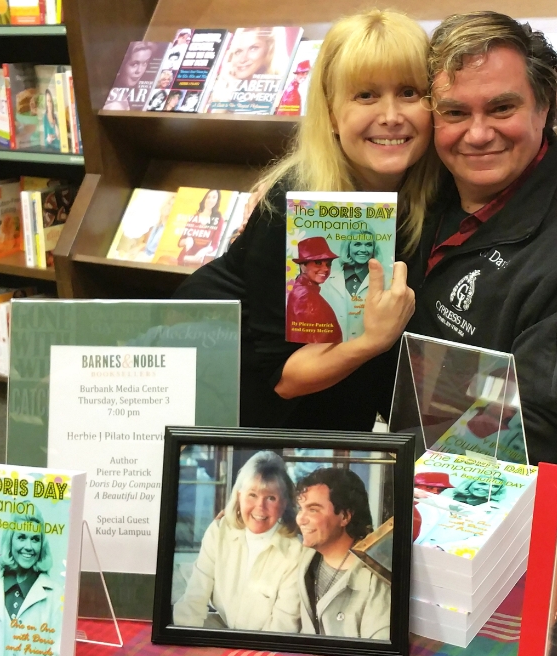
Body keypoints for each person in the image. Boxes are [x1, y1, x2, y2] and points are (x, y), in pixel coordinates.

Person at [174, 9, 441, 431]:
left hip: (335, 397)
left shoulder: (432, 191)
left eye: (409, 92)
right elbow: (284, 379)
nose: (391, 115)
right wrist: (374, 340)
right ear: (332, 114)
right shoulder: (289, 203)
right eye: (366, 95)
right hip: (240, 395)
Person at [407, 12, 557, 474]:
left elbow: (536, 436)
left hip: (527, 502)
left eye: (501, 108)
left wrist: (386, 463)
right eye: (455, 112)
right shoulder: (427, 193)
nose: (477, 134)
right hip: (431, 454)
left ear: (545, 108)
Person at [174, 451, 304, 631]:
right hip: (222, 626)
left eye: (271, 498)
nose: (260, 507)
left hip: (265, 645)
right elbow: (194, 599)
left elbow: (283, 626)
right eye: (252, 495)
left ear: (284, 504)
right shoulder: (219, 532)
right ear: (239, 496)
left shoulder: (296, 551)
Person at [292, 468, 390, 639]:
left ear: (344, 516)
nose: (301, 519)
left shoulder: (377, 582)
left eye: (313, 509)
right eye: (301, 509)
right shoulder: (306, 559)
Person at [0, 509, 61, 656]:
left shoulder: (56, 595)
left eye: (35, 539)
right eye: (22, 537)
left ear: (42, 545)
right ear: (10, 541)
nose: (28, 547)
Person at [323, 225, 379, 340]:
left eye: (368, 244)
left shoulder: (385, 280)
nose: (363, 250)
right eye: (357, 244)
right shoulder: (328, 281)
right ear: (348, 247)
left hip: (372, 352)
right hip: (332, 350)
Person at [287, 238, 344, 342]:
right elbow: (315, 343)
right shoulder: (306, 297)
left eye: (328, 264)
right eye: (318, 263)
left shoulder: (303, 290)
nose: (326, 269)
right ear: (303, 266)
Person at [178, 189, 224, 265]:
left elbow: (215, 245)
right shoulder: (194, 217)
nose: (210, 200)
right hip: (183, 257)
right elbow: (180, 242)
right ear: (205, 199)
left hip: (197, 260)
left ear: (217, 200)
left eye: (214, 197)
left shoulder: (219, 220)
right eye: (208, 197)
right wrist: (187, 240)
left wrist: (204, 250)